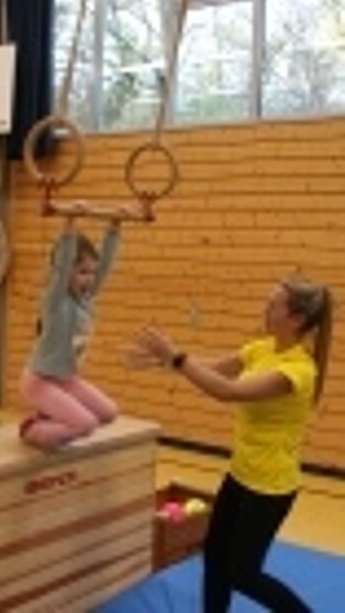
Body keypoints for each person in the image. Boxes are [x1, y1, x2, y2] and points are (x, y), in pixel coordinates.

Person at [127, 277, 333, 613]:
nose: (264, 310)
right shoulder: (261, 349)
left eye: (273, 305)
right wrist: (167, 361)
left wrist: (178, 360)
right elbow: (214, 367)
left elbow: (228, 391)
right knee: (215, 557)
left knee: (243, 574)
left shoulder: (298, 370)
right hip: (240, 475)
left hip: (270, 488)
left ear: (296, 320)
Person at [19, 202, 136, 450]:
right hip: (40, 381)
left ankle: (49, 417)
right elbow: (61, 269)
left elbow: (105, 267)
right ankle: (33, 430)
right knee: (85, 425)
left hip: (67, 380)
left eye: (91, 273)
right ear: (66, 272)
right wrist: (69, 226)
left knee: (109, 414)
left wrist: (114, 226)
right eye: (82, 272)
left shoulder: (87, 299)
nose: (90, 279)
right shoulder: (55, 301)